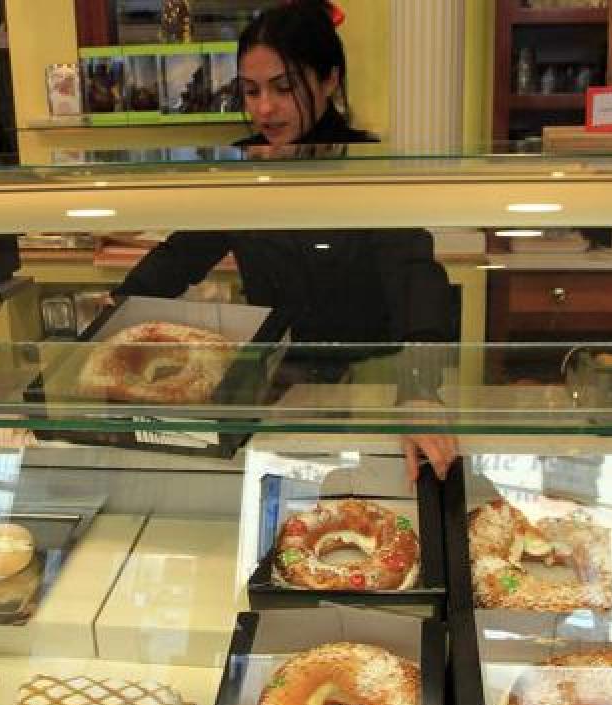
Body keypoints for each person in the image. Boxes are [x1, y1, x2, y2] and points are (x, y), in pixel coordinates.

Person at [113, 0, 458, 483]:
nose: (264, 109)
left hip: (372, 391)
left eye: (284, 88)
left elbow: (415, 278)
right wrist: (111, 323)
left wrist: (420, 388)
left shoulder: (371, 168)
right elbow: (179, 256)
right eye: (250, 91)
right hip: (272, 390)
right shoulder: (241, 168)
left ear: (329, 80)